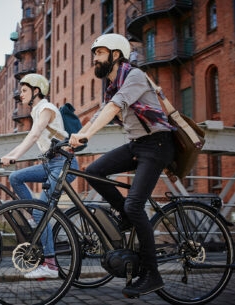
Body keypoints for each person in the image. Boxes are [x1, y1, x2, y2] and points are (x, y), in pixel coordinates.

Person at [69, 33, 175, 297]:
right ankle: (127, 217)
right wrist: (74, 137)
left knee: (135, 203)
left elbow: (114, 108)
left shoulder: (134, 77)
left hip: (158, 143)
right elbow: (98, 113)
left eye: (100, 53)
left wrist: (86, 136)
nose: (95, 58)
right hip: (138, 144)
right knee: (93, 171)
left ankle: (152, 274)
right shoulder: (112, 83)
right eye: (95, 53)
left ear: (116, 55)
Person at [1, 73, 78, 279]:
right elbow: (32, 136)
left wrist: (14, 156)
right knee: (15, 178)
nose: (21, 94)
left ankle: (51, 265)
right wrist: (8, 156)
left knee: (40, 212)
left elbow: (33, 135)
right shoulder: (37, 110)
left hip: (63, 165)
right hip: (50, 164)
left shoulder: (46, 108)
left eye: (25, 90)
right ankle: (36, 218)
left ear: (37, 91)